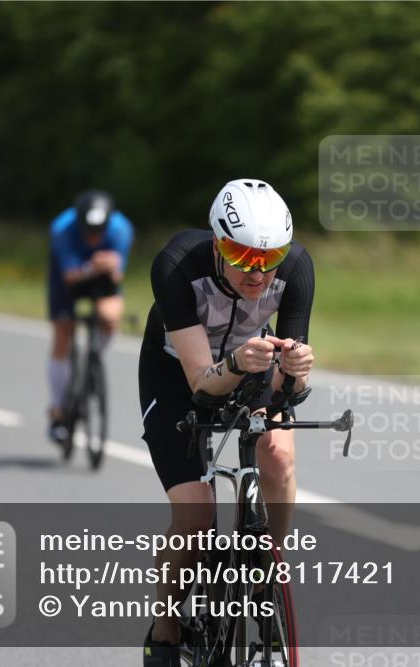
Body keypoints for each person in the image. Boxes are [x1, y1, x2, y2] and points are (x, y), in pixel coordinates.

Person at [138, 179, 315, 658]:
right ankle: (167, 626)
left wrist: (293, 374)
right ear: (218, 244)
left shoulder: (296, 267)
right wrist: (238, 362)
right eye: (242, 256)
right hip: (178, 375)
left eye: (270, 257)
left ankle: (264, 580)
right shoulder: (177, 264)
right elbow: (200, 384)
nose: (258, 274)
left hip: (251, 366)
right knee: (195, 515)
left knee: (277, 453)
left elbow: (289, 389)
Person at [47, 190, 133, 443]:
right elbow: (69, 276)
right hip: (70, 277)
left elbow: (118, 277)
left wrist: (111, 267)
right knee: (63, 330)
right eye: (89, 234)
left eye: (99, 233)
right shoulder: (63, 228)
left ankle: (92, 361)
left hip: (101, 277)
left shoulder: (121, 229)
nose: (94, 239)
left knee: (110, 316)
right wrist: (91, 266)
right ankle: (57, 407)